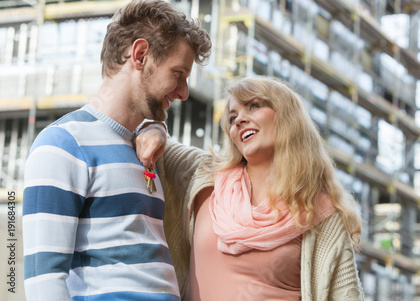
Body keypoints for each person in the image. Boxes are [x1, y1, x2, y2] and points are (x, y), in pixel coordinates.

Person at [22, 0, 211, 301]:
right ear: (139, 55)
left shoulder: (147, 148)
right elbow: (44, 280)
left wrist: (156, 128)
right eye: (178, 73)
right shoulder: (62, 145)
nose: (184, 92)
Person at [136, 76, 364, 300]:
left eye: (254, 106)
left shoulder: (322, 213)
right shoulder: (206, 176)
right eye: (232, 117)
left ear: (288, 117)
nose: (238, 120)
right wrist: (156, 129)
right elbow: (148, 137)